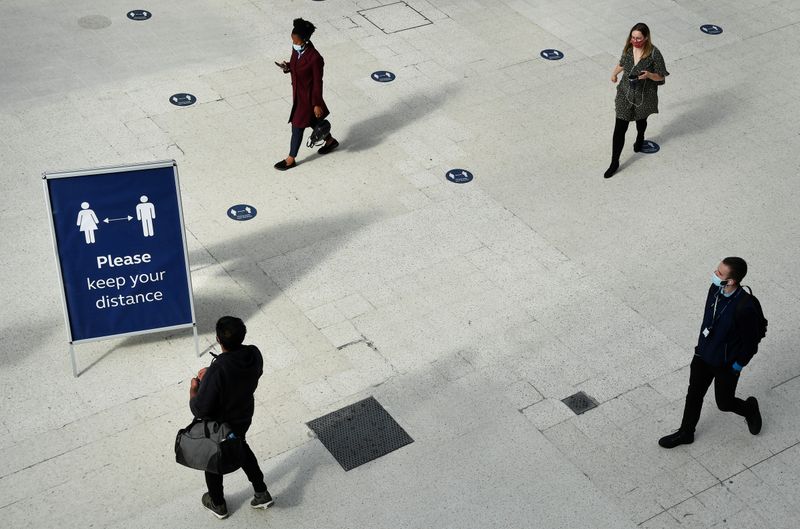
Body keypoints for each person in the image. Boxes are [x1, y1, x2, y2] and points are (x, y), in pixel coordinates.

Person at [659, 258, 763, 449]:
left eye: (720, 273)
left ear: (731, 281)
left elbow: (751, 343)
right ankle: (686, 433)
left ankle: (749, 408)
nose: (714, 274)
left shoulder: (744, 307)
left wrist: (737, 366)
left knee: (724, 403)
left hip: (726, 364)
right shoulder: (714, 290)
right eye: (717, 270)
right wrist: (701, 347)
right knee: (694, 394)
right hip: (703, 356)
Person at [189, 316, 273, 519]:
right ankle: (261, 492)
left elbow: (200, 409)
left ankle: (217, 503)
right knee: (240, 445)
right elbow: (239, 374)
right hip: (243, 416)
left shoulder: (218, 370)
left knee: (212, 458)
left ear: (218, 340)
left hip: (221, 425)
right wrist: (212, 375)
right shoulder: (253, 354)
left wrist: (195, 387)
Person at [605, 23, 669, 178]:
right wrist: (614, 74)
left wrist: (649, 75)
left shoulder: (654, 54)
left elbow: (661, 75)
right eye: (633, 37)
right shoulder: (628, 49)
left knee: (641, 120)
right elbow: (622, 64)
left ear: (646, 38)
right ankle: (614, 162)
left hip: (643, 95)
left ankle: (640, 137)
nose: (635, 41)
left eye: (638, 38)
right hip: (625, 93)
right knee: (619, 128)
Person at [274, 18, 338, 171]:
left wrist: (316, 104)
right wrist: (288, 67)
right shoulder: (297, 50)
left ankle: (291, 158)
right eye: (293, 41)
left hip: (308, 99)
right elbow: (296, 65)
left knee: (297, 126)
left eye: (296, 41)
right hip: (299, 95)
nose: (294, 44)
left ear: (305, 40)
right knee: (314, 123)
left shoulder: (315, 58)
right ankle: (330, 141)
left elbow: (318, 82)